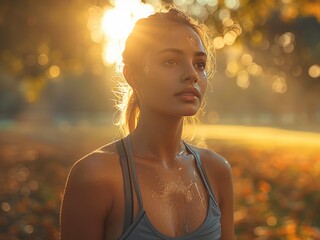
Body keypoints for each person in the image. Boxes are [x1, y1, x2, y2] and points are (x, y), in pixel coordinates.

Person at [60, 7, 234, 240]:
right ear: (132, 75)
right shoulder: (95, 177)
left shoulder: (217, 171)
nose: (192, 74)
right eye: (171, 61)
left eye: (200, 64)